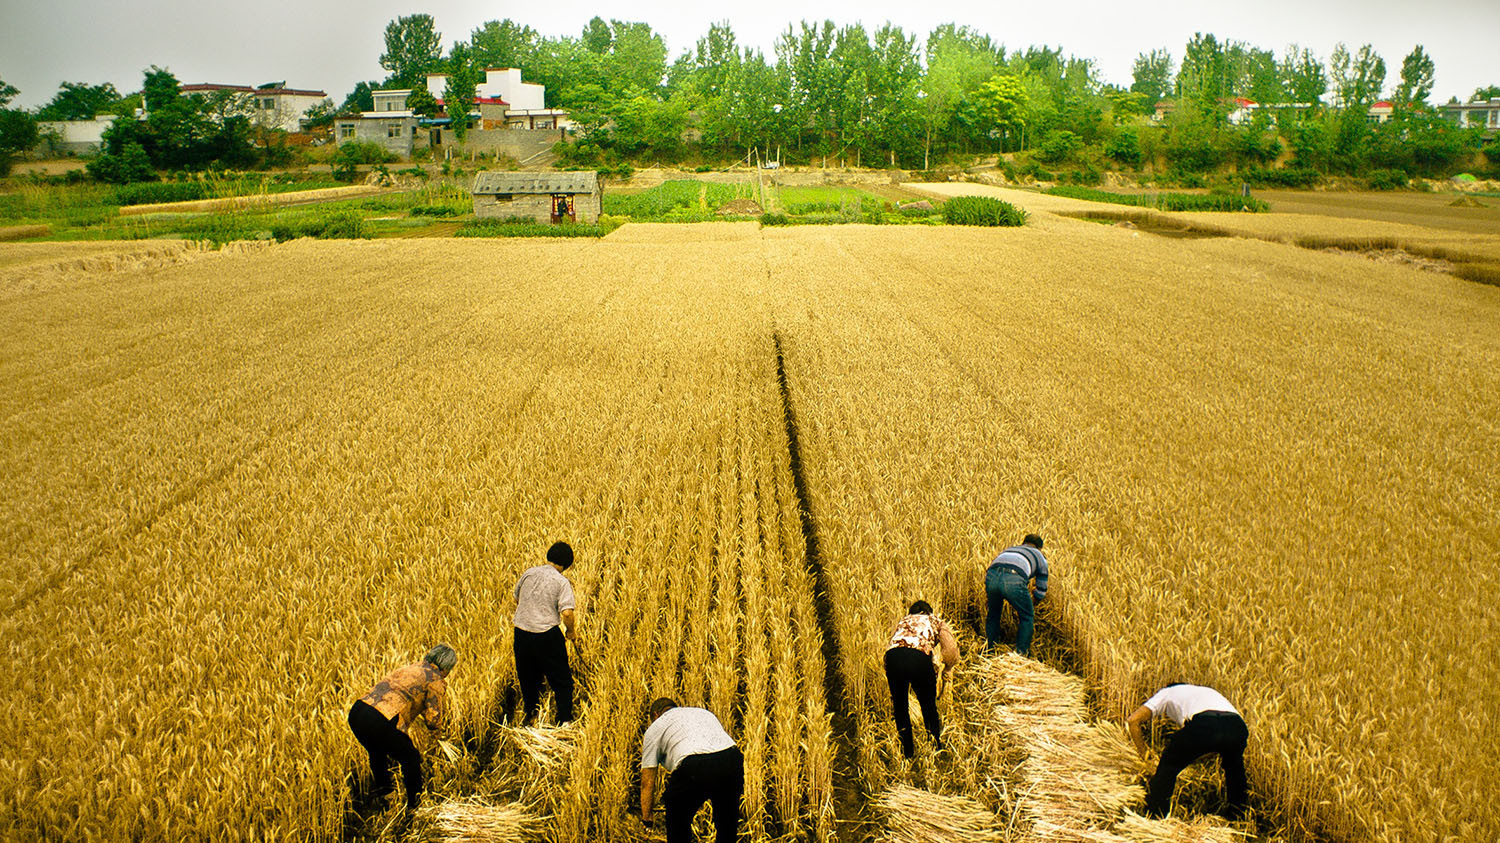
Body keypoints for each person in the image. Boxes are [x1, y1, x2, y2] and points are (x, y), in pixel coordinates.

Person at [347, 643, 457, 811]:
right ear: (446, 668)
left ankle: (385, 796)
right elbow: (433, 721)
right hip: (381, 718)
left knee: (377, 751)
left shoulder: (413, 667)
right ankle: (416, 806)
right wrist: (439, 735)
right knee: (410, 757)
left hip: (358, 711)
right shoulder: (435, 679)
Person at [1126, 683, 1249, 819]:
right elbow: (1213, 741)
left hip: (1207, 722)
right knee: (1234, 769)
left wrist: (1145, 756)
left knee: (1168, 763)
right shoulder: (1206, 691)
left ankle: (1155, 816)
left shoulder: (1167, 692)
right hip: (1238, 726)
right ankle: (1239, 817)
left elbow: (1133, 720)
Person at [639, 698, 744, 843]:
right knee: (727, 823)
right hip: (731, 758)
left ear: (656, 715)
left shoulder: (656, 726)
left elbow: (647, 781)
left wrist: (647, 818)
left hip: (695, 765)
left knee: (676, 815)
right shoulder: (702, 713)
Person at [884, 600, 959, 757]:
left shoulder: (904, 621)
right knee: (928, 705)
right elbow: (951, 650)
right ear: (929, 612)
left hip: (892, 657)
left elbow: (897, 643)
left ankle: (907, 752)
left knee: (900, 706)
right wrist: (947, 668)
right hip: (918, 658)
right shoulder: (935, 620)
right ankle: (935, 744)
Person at [513, 541, 577, 725]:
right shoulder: (561, 581)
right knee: (561, 680)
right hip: (547, 635)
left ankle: (531, 715)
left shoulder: (529, 573)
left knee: (527, 677)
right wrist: (571, 632)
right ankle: (564, 720)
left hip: (521, 633)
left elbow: (516, 599)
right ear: (566, 564)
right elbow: (567, 612)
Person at [985, 533, 1049, 656]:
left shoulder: (1010, 549)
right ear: (1039, 548)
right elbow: (1041, 589)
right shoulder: (1039, 556)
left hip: (991, 576)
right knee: (1027, 616)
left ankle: (990, 650)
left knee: (993, 614)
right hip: (1014, 578)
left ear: (1024, 543)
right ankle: (1021, 654)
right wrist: (1034, 602)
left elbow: (992, 567)